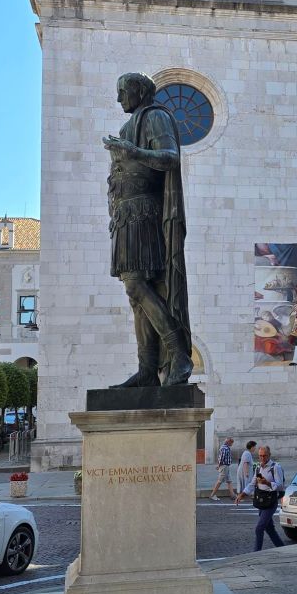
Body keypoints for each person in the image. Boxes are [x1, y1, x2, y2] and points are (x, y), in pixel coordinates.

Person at [103, 72, 193, 388]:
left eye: (123, 91)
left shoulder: (154, 117)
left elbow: (170, 158)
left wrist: (133, 152)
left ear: (140, 91)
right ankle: (147, 370)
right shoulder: (129, 126)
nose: (119, 99)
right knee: (137, 294)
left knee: (136, 284)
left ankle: (179, 353)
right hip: (125, 214)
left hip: (145, 212)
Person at [235, 445, 286, 550]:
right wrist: (242, 494)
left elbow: (280, 486)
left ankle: (257, 553)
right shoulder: (258, 467)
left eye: (264, 456)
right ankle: (282, 549)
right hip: (261, 501)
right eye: (260, 456)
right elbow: (252, 484)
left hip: (271, 501)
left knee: (259, 528)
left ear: (269, 455)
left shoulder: (275, 467)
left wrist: (267, 482)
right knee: (270, 529)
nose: (262, 458)